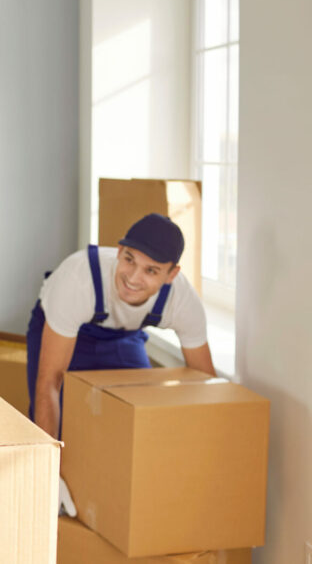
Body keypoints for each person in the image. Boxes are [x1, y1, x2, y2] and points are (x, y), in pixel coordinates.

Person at [25, 213, 216, 515]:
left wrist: (201, 469)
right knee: (58, 422)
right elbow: (49, 383)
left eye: (151, 270)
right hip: (65, 328)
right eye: (129, 260)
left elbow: (205, 389)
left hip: (122, 338)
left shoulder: (183, 302)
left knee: (139, 419)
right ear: (118, 250)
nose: (133, 277)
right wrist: (50, 471)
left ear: (171, 275)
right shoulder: (79, 279)